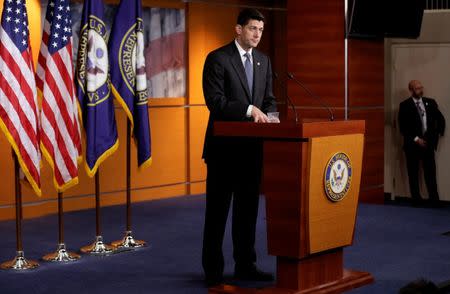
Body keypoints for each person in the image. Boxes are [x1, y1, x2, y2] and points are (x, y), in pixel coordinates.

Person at [201, 8, 277, 287]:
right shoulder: (218, 59)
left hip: (252, 151)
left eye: (260, 29)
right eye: (252, 28)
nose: (257, 34)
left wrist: (272, 115)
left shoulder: (263, 62)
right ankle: (213, 271)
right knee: (218, 214)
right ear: (238, 29)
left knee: (247, 214)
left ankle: (246, 266)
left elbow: (268, 100)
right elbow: (216, 102)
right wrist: (249, 109)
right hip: (223, 151)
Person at [398, 80, 445, 207]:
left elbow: (440, 119)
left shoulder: (430, 102)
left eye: (421, 87)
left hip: (428, 144)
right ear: (411, 90)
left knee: (430, 173)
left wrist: (436, 136)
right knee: (413, 173)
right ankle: (416, 201)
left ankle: (434, 201)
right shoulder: (404, 105)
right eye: (417, 88)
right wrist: (416, 139)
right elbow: (403, 127)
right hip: (413, 145)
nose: (420, 90)